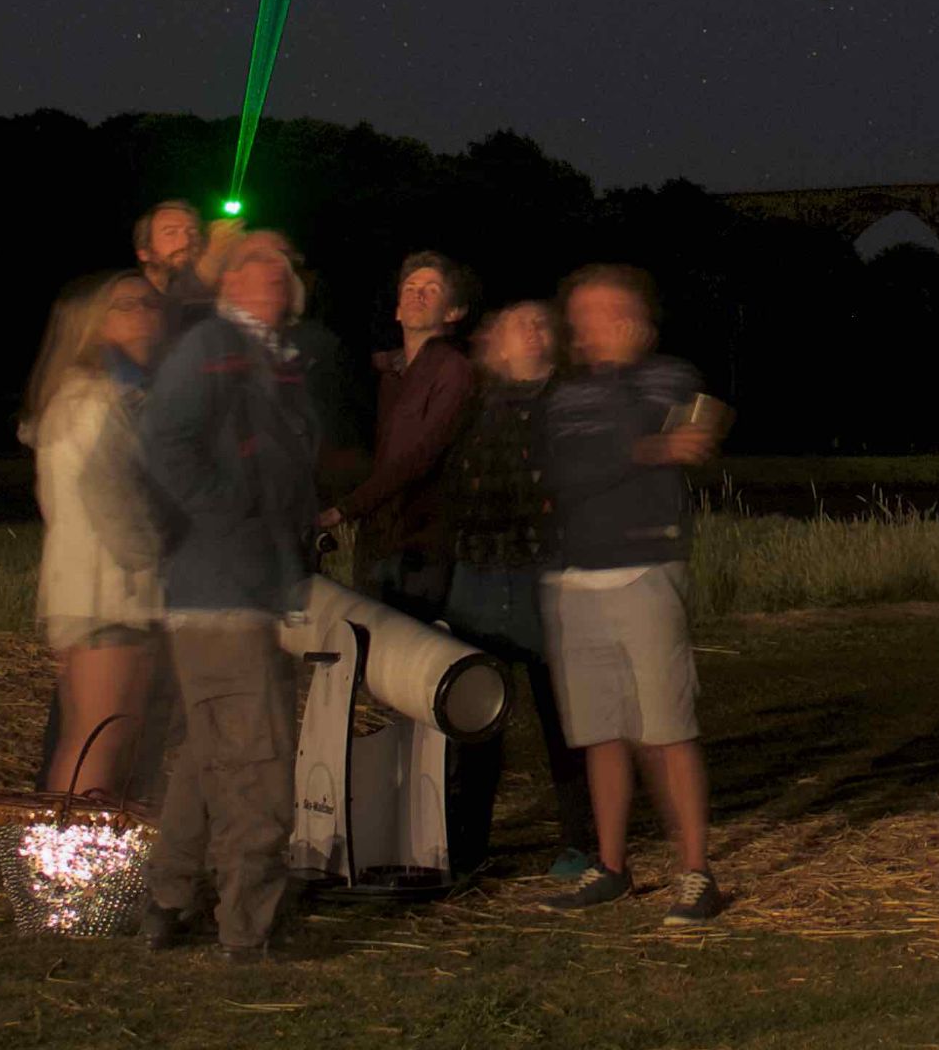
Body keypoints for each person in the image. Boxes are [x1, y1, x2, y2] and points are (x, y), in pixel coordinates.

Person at [139, 227, 323, 963]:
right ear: (230, 283)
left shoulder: (269, 358)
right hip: (222, 585)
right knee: (259, 760)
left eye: (283, 267)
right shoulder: (213, 346)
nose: (275, 276)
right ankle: (247, 926)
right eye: (256, 265)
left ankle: (167, 898)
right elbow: (164, 443)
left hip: (246, 584)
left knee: (214, 751)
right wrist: (233, 517)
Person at [535, 265, 726, 924]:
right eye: (584, 311)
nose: (595, 321)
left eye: (609, 308)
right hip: (575, 575)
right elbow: (565, 471)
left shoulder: (669, 377)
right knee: (602, 733)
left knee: (667, 729)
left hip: (647, 567)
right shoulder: (565, 397)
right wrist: (646, 446)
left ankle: (696, 872)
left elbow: (696, 435)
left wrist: (641, 431)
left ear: (639, 317)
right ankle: (612, 867)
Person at [447, 299, 599, 882]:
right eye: (518, 323)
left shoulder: (571, 402)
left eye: (541, 322)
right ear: (498, 344)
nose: (533, 331)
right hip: (482, 574)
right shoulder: (476, 408)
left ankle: (581, 840)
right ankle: (466, 845)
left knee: (563, 718)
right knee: (476, 718)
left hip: (550, 574)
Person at [25, 270, 165, 796]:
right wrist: (159, 560)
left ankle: (93, 867)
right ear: (95, 325)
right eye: (126, 305)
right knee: (97, 742)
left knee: (111, 739)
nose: (145, 315)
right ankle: (76, 873)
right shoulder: (94, 399)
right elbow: (109, 496)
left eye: (151, 304)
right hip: (108, 595)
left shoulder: (114, 396)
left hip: (110, 590)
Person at [324, 251, 480, 618]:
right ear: (396, 310)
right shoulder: (391, 376)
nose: (417, 294)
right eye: (410, 287)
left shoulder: (453, 370)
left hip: (422, 543)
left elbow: (421, 454)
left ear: (452, 312)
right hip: (383, 538)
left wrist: (345, 508)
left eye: (431, 288)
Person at [135, 200, 214, 351]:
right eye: (170, 233)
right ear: (144, 252)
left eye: (192, 233)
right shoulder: (131, 305)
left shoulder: (212, 301)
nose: (185, 242)